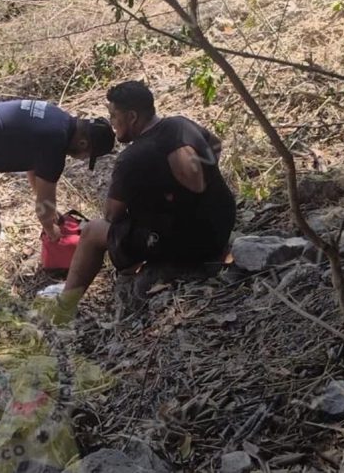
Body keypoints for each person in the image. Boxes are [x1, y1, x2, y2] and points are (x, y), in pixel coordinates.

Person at [49, 81, 236, 322]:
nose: (112, 123)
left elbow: (111, 215)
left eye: (114, 116)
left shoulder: (132, 158)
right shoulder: (182, 124)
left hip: (189, 245)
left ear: (132, 117)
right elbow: (216, 145)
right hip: (221, 225)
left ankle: (63, 310)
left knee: (92, 231)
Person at [0, 99, 116, 300]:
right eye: (87, 155)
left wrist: (49, 212)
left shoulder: (58, 121)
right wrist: (51, 230)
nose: (82, 158)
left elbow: (34, 170)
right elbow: (45, 203)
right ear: (83, 143)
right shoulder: (56, 141)